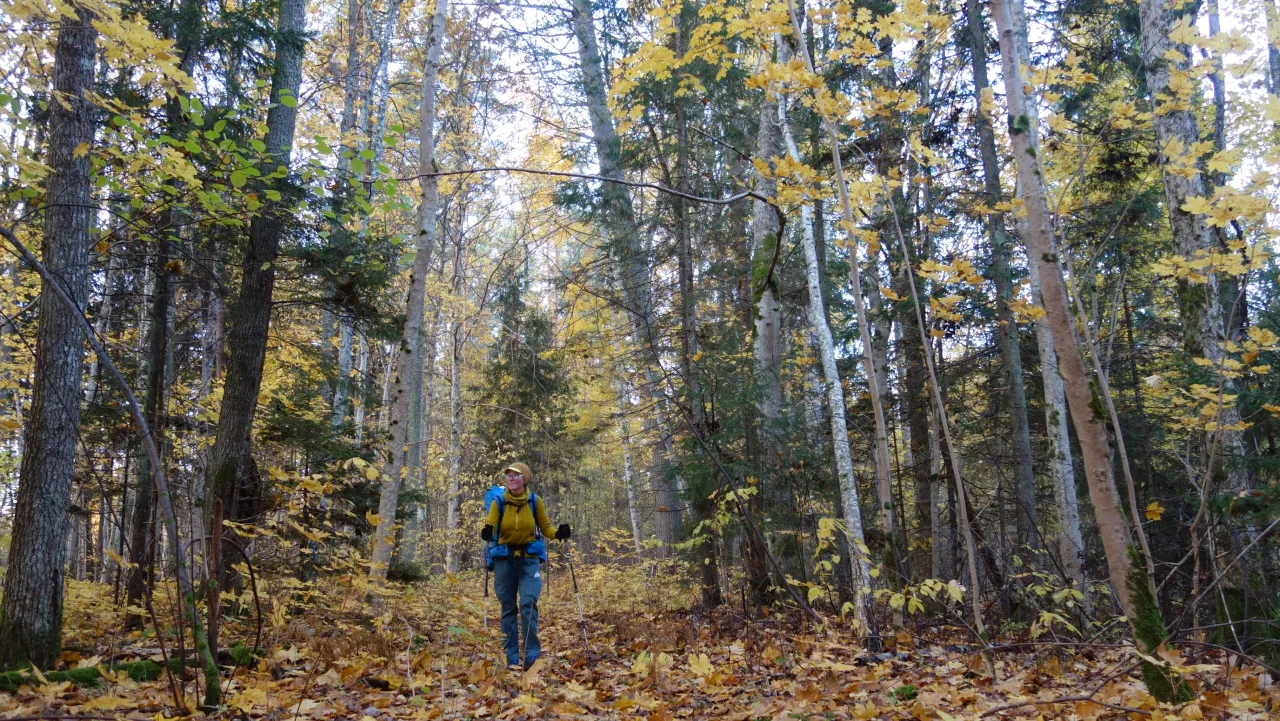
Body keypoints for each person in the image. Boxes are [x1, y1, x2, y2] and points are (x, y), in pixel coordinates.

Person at [480, 461, 570, 670]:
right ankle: (511, 658)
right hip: (504, 559)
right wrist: (487, 531)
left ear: (525, 478)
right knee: (508, 607)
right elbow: (491, 523)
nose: (511, 478)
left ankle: (531, 657)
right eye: (508, 475)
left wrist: (558, 534)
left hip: (529, 559)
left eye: (516, 475)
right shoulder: (499, 502)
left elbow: (545, 526)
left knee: (529, 603)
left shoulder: (534, 501)